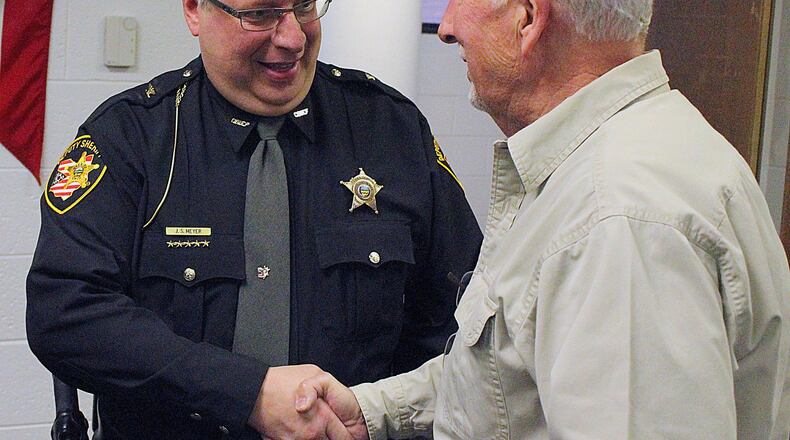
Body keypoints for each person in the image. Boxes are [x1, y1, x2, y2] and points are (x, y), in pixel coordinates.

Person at [294, 0, 790, 439]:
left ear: (528, 17)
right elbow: (509, 375)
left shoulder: (616, 216)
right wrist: (372, 411)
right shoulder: (606, 167)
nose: (446, 26)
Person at [25, 0, 482, 438]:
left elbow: (469, 318)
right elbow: (64, 312)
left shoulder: (390, 129)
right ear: (194, 11)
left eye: (304, 6)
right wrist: (249, 393)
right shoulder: (130, 137)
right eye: (261, 13)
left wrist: (389, 417)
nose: (293, 37)